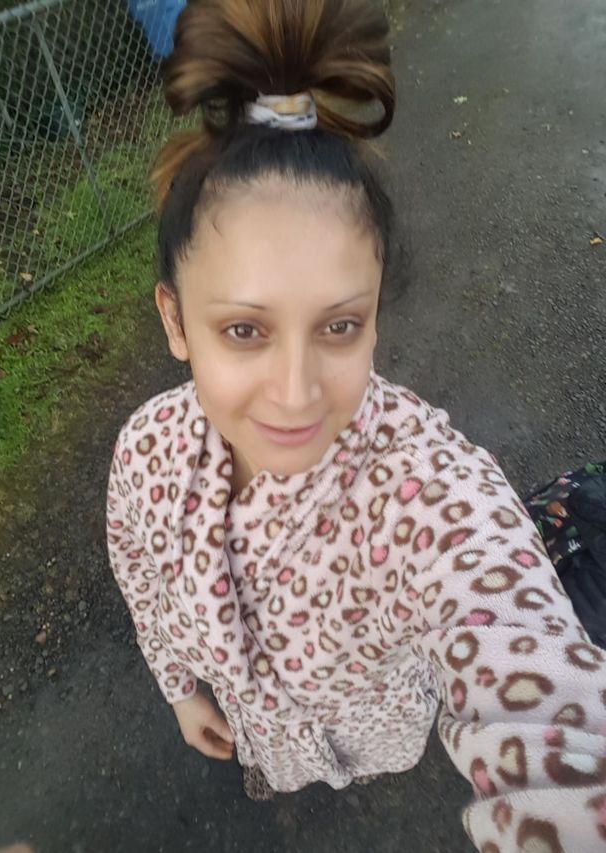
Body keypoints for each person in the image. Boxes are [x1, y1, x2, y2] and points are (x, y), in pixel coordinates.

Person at [105, 0, 606, 848]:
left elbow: (522, 649)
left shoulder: (423, 492)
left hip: (376, 744)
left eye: (339, 325)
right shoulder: (146, 450)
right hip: (248, 726)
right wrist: (181, 688)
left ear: (375, 317)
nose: (297, 394)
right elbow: (139, 575)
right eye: (244, 330)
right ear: (175, 320)